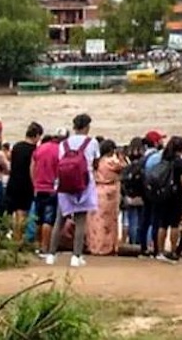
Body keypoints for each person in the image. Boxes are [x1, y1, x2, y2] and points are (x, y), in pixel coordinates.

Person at [45, 114, 100, 267]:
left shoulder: (64, 143)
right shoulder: (92, 142)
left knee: (59, 220)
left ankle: (51, 254)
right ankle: (76, 256)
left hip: (64, 183)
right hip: (84, 183)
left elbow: (61, 161)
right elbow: (95, 162)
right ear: (87, 126)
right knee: (81, 220)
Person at [152, 136, 182, 261]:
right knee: (174, 223)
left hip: (163, 193)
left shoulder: (164, 159)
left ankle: (160, 251)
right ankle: (173, 251)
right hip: (176, 194)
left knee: (162, 224)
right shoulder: (181, 163)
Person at [87, 139, 125, 256]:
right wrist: (120, 156)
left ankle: (94, 246)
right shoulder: (111, 162)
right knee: (108, 222)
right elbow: (124, 165)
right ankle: (106, 247)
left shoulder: (97, 161)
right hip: (109, 192)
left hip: (96, 190)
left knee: (95, 221)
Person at [6, 123, 41, 243]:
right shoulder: (34, 150)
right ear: (36, 135)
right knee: (22, 213)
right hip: (25, 184)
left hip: (12, 181)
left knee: (15, 213)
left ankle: (15, 237)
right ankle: (19, 239)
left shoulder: (16, 146)